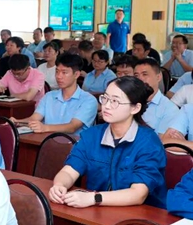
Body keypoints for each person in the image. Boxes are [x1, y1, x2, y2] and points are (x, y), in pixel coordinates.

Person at [49, 77, 166, 209]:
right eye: (105, 98)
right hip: (99, 211)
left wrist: (94, 198)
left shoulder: (149, 142)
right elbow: (69, 171)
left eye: (115, 101)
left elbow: (138, 194)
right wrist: (59, 185)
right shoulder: (92, 135)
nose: (107, 106)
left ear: (135, 108)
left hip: (142, 213)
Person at [13, 53, 98, 135]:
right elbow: (34, 118)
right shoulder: (49, 96)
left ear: (76, 74)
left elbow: (72, 127)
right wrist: (17, 122)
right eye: (57, 71)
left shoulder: (89, 100)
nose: (58, 76)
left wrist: (45, 128)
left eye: (64, 72)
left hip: (75, 144)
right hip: (46, 142)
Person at [133, 59, 179, 136]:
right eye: (136, 75)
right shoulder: (127, 101)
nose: (140, 79)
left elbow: (162, 140)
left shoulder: (169, 109)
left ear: (158, 77)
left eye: (145, 74)